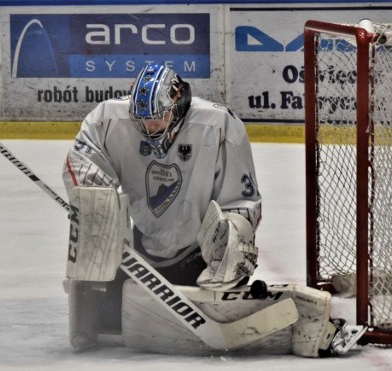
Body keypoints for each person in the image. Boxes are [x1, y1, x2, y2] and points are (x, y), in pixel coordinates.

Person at [62, 64, 261, 332]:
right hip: (140, 254)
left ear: (177, 106)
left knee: (236, 227)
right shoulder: (107, 119)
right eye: (142, 119)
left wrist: (228, 255)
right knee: (92, 206)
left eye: (159, 118)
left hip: (199, 255)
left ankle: (220, 288)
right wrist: (98, 210)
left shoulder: (218, 124)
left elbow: (241, 201)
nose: (149, 128)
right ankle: (98, 296)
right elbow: (82, 161)